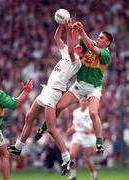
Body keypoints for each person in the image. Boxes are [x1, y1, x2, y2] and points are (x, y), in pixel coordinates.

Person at [7, 22, 87, 176]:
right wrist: (62, 25)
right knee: (29, 117)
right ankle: (18, 146)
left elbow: (70, 49)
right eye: (77, 46)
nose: (77, 47)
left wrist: (70, 32)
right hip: (47, 89)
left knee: (51, 129)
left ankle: (67, 158)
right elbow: (56, 38)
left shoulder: (76, 61)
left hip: (55, 92)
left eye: (80, 48)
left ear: (82, 53)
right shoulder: (67, 54)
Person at [35, 21, 114, 154]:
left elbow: (91, 47)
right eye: (99, 37)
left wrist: (82, 31)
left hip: (94, 88)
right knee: (58, 107)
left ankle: (99, 143)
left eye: (102, 38)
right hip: (79, 85)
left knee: (93, 113)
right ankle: (43, 128)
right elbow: (78, 39)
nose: (98, 39)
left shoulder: (105, 54)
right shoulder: (92, 43)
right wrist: (73, 28)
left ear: (107, 43)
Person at [67, 97, 97, 180]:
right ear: (79, 101)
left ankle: (94, 176)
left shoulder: (91, 112)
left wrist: (91, 130)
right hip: (78, 134)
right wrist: (71, 128)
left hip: (88, 137)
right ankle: (73, 176)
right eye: (82, 100)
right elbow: (75, 125)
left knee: (87, 159)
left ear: (87, 102)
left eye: (85, 101)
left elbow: (95, 125)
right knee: (71, 155)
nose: (83, 102)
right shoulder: (75, 112)